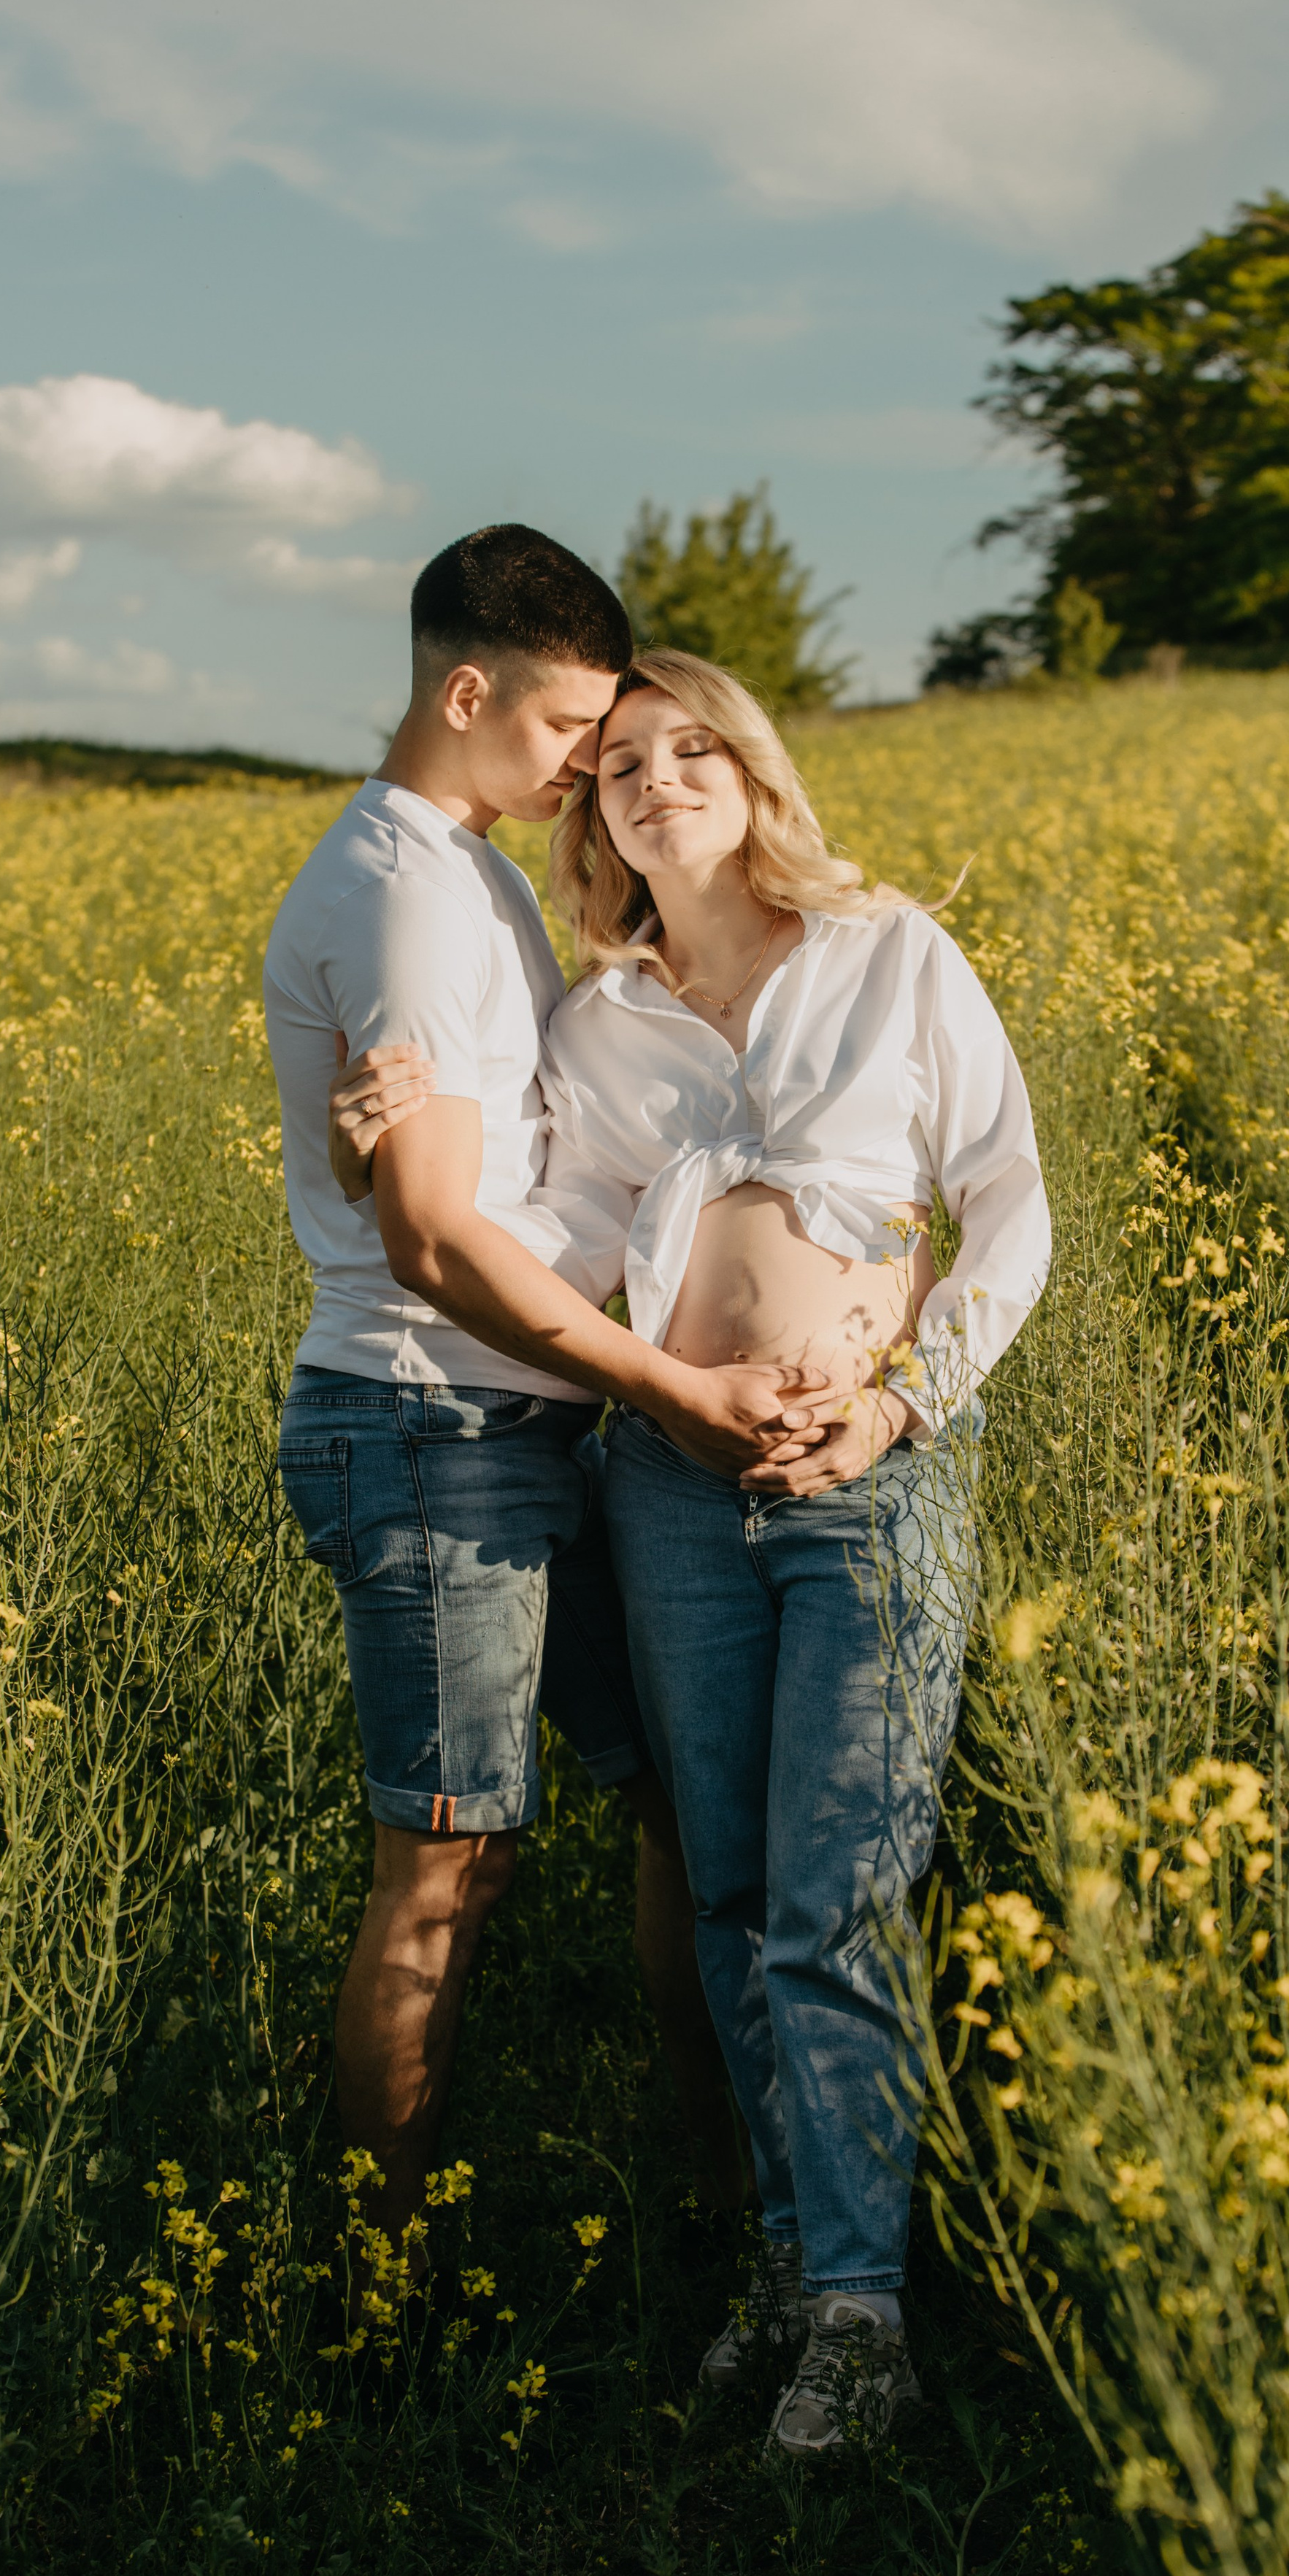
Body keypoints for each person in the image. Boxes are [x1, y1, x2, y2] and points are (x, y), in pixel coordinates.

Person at [342, 649, 1050, 2454]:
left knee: (838, 1899)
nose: (653, 779)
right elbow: (552, 1266)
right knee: (730, 1900)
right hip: (672, 1490)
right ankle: (788, 2271)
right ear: (593, 815)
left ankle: (864, 2317)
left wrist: (902, 1405)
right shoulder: (599, 1028)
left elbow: (1007, 1210)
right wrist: (393, 1167)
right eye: (620, 765)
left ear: (749, 774)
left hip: (863, 1477)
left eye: (687, 751)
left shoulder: (888, 950)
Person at [263, 534, 826, 2260]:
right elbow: (435, 1243)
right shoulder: (411, 895)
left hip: (521, 1422)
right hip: (436, 1429)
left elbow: (491, 1170)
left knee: (659, 1787)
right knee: (443, 1871)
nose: (591, 757)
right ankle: (376, 2292)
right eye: (573, 723)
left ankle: (724, 2197)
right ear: (464, 693)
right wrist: (669, 1386)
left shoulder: (470, 870)